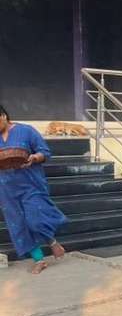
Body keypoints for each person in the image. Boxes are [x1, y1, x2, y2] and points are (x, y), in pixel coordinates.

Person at [0, 104, 67, 274]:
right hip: (6, 188)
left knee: (34, 219)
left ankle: (52, 242)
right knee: (18, 225)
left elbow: (45, 152)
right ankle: (39, 260)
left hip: (31, 184)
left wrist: (35, 157)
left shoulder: (27, 130)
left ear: (3, 116)